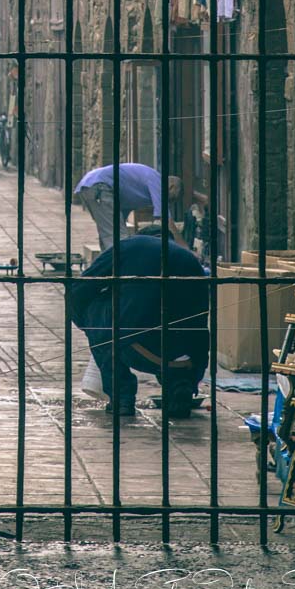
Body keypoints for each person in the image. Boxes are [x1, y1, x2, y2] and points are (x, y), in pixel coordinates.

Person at [70, 226, 209, 417]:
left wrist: (88, 328)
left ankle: (122, 397)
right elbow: (202, 324)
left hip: (134, 347)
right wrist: (194, 374)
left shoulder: (129, 246)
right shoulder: (190, 260)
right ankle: (179, 386)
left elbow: (79, 290)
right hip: (183, 358)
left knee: (96, 306)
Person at [75, 161, 185, 251]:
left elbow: (122, 213)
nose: (171, 202)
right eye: (174, 198)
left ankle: (107, 272)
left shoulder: (140, 192)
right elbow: (164, 217)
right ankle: (120, 274)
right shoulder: (157, 180)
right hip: (99, 186)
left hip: (90, 185)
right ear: (171, 187)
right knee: (119, 240)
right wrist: (184, 248)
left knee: (109, 236)